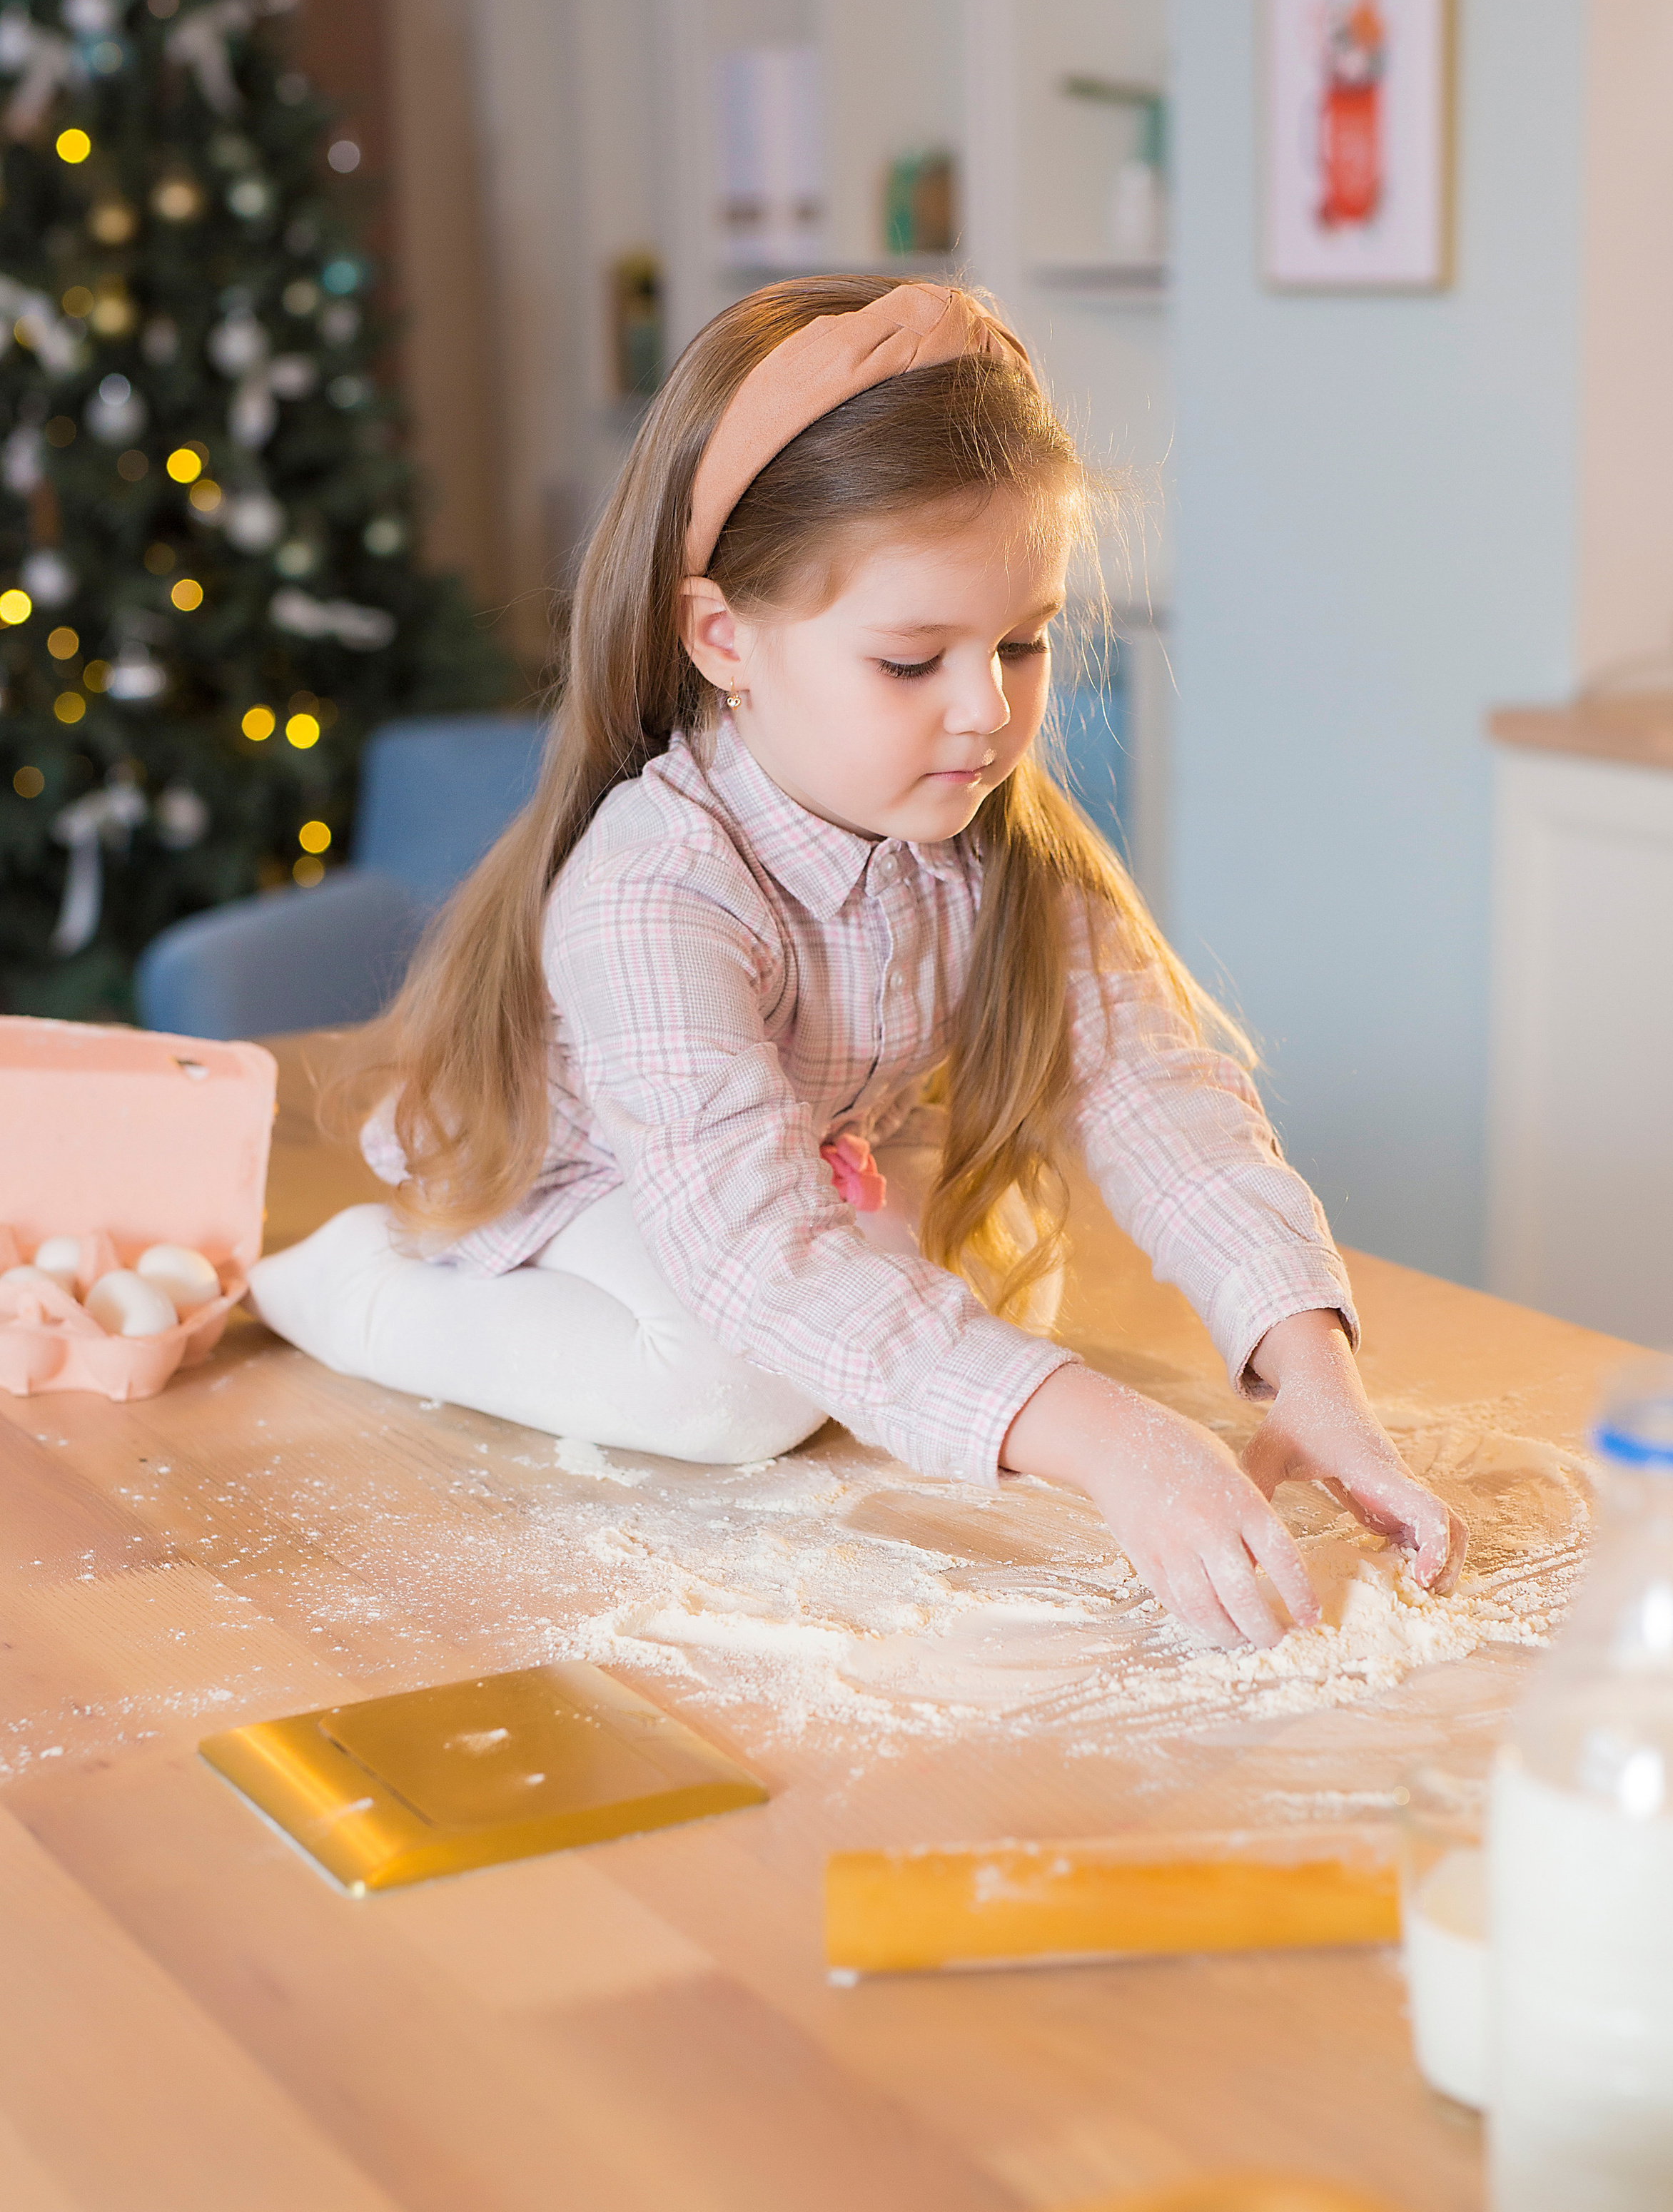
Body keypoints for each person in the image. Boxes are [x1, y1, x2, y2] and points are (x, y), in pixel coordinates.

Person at [252, 275, 1465, 1651]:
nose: (987, 710)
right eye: (910, 661)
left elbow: (1158, 1100)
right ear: (726, 641)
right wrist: (1115, 1443)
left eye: (1022, 642)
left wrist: (1310, 1375)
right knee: (734, 1394)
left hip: (809, 1156)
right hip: (595, 1184)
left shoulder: (998, 842)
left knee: (1000, 1275)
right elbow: (753, 1248)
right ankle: (360, 1289)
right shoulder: (655, 885)